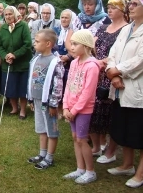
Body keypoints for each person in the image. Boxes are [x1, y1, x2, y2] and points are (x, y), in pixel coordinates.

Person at [106, 0, 143, 188]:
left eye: (135, 4)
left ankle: (142, 172)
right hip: (120, 87)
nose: (131, 6)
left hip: (140, 89)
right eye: (130, 3)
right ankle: (127, 164)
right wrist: (112, 74)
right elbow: (113, 53)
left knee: (140, 133)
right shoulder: (126, 29)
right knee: (123, 128)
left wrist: (118, 71)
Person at [89, 0, 129, 162]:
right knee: (93, 110)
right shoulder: (104, 26)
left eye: (114, 7)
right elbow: (92, 45)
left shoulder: (127, 29)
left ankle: (109, 148)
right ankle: (97, 146)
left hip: (111, 74)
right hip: (96, 73)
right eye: (109, 7)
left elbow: (124, 53)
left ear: (123, 10)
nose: (110, 10)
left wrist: (105, 63)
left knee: (108, 112)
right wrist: (94, 60)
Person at [62, 29, 100, 184]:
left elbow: (87, 93)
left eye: (75, 44)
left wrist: (75, 110)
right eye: (71, 44)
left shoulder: (92, 66)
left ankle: (90, 171)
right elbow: (68, 86)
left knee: (82, 139)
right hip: (70, 108)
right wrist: (65, 107)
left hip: (83, 110)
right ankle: (80, 168)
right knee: (75, 138)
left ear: (85, 46)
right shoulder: (74, 63)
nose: (71, 47)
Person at [27, 29, 64, 169]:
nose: (34, 44)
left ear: (48, 43)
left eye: (37, 41)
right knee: (41, 128)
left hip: (48, 102)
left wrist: (54, 104)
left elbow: (58, 84)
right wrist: (30, 98)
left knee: (51, 129)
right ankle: (42, 153)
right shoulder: (36, 58)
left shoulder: (55, 62)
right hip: (37, 100)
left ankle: (50, 157)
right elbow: (31, 78)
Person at [0, 6, 32, 119]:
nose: (8, 16)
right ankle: (14, 108)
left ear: (15, 14)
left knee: (22, 88)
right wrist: (5, 56)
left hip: (22, 63)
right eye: (6, 15)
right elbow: (0, 46)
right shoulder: (2, 28)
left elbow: (27, 44)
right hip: (8, 63)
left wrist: (15, 54)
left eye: (10, 14)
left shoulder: (23, 26)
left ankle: (22, 110)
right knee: (10, 87)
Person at [56, 9, 77, 117]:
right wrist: (57, 57)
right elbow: (52, 44)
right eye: (62, 17)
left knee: (68, 87)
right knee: (58, 86)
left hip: (70, 63)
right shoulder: (56, 29)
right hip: (57, 61)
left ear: (71, 19)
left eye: (66, 17)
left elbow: (76, 47)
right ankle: (59, 110)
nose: (64, 19)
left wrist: (68, 57)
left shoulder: (74, 31)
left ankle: (68, 110)